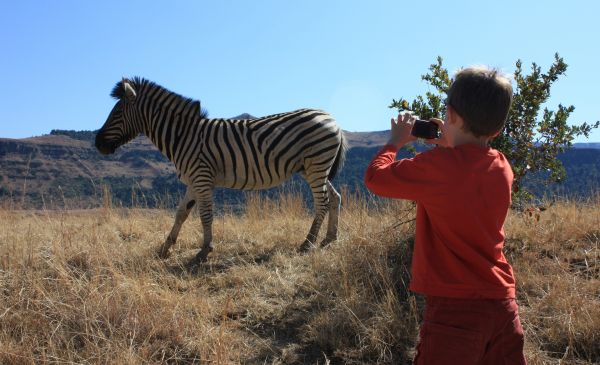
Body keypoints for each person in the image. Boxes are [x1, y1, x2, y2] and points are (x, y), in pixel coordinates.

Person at [364, 66, 526, 364]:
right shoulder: (503, 165)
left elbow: (376, 178)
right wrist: (452, 146)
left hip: (455, 313)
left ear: (449, 115)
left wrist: (395, 142)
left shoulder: (437, 166)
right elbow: (469, 166)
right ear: (499, 128)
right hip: (503, 306)